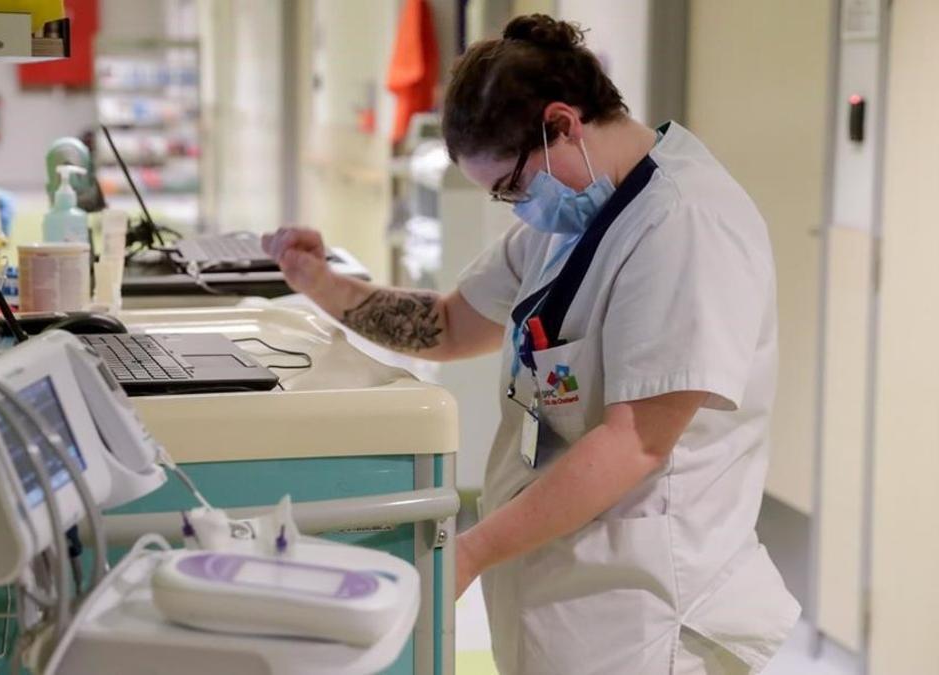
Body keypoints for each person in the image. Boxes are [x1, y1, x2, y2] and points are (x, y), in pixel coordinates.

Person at [262, 13, 799, 675]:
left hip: (647, 606)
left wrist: (471, 549)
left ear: (564, 124)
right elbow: (450, 325)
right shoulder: (568, 215)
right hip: (564, 589)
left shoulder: (685, 225)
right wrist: (320, 284)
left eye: (513, 187)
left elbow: (635, 442)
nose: (517, 207)